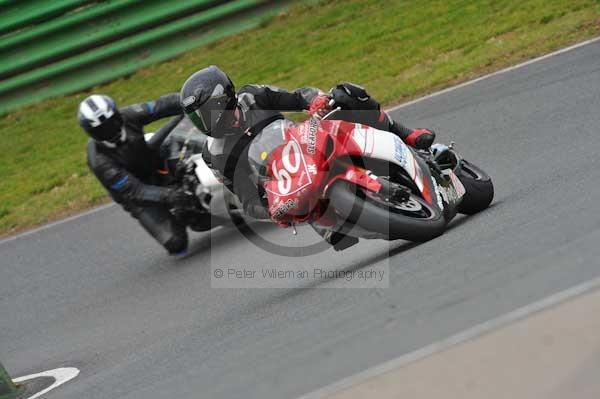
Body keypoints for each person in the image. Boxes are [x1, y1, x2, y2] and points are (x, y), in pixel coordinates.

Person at [179, 65, 435, 250]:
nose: (205, 122)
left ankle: (407, 135)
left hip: (307, 141)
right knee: (339, 235)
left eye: (207, 112)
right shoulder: (214, 153)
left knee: (347, 93)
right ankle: (382, 218)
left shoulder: (252, 96)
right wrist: (271, 210)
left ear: (226, 97)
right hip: (292, 183)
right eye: (197, 118)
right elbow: (246, 200)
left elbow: (297, 96)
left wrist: (316, 100)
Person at [78, 93, 194, 256]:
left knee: (183, 121)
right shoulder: (98, 160)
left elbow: (161, 105)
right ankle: (181, 214)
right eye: (102, 130)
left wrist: (193, 98)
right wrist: (171, 195)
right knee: (176, 243)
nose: (111, 130)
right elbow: (136, 191)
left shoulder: (129, 115)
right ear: (92, 134)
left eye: (112, 123)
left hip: (150, 159)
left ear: (117, 115)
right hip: (136, 197)